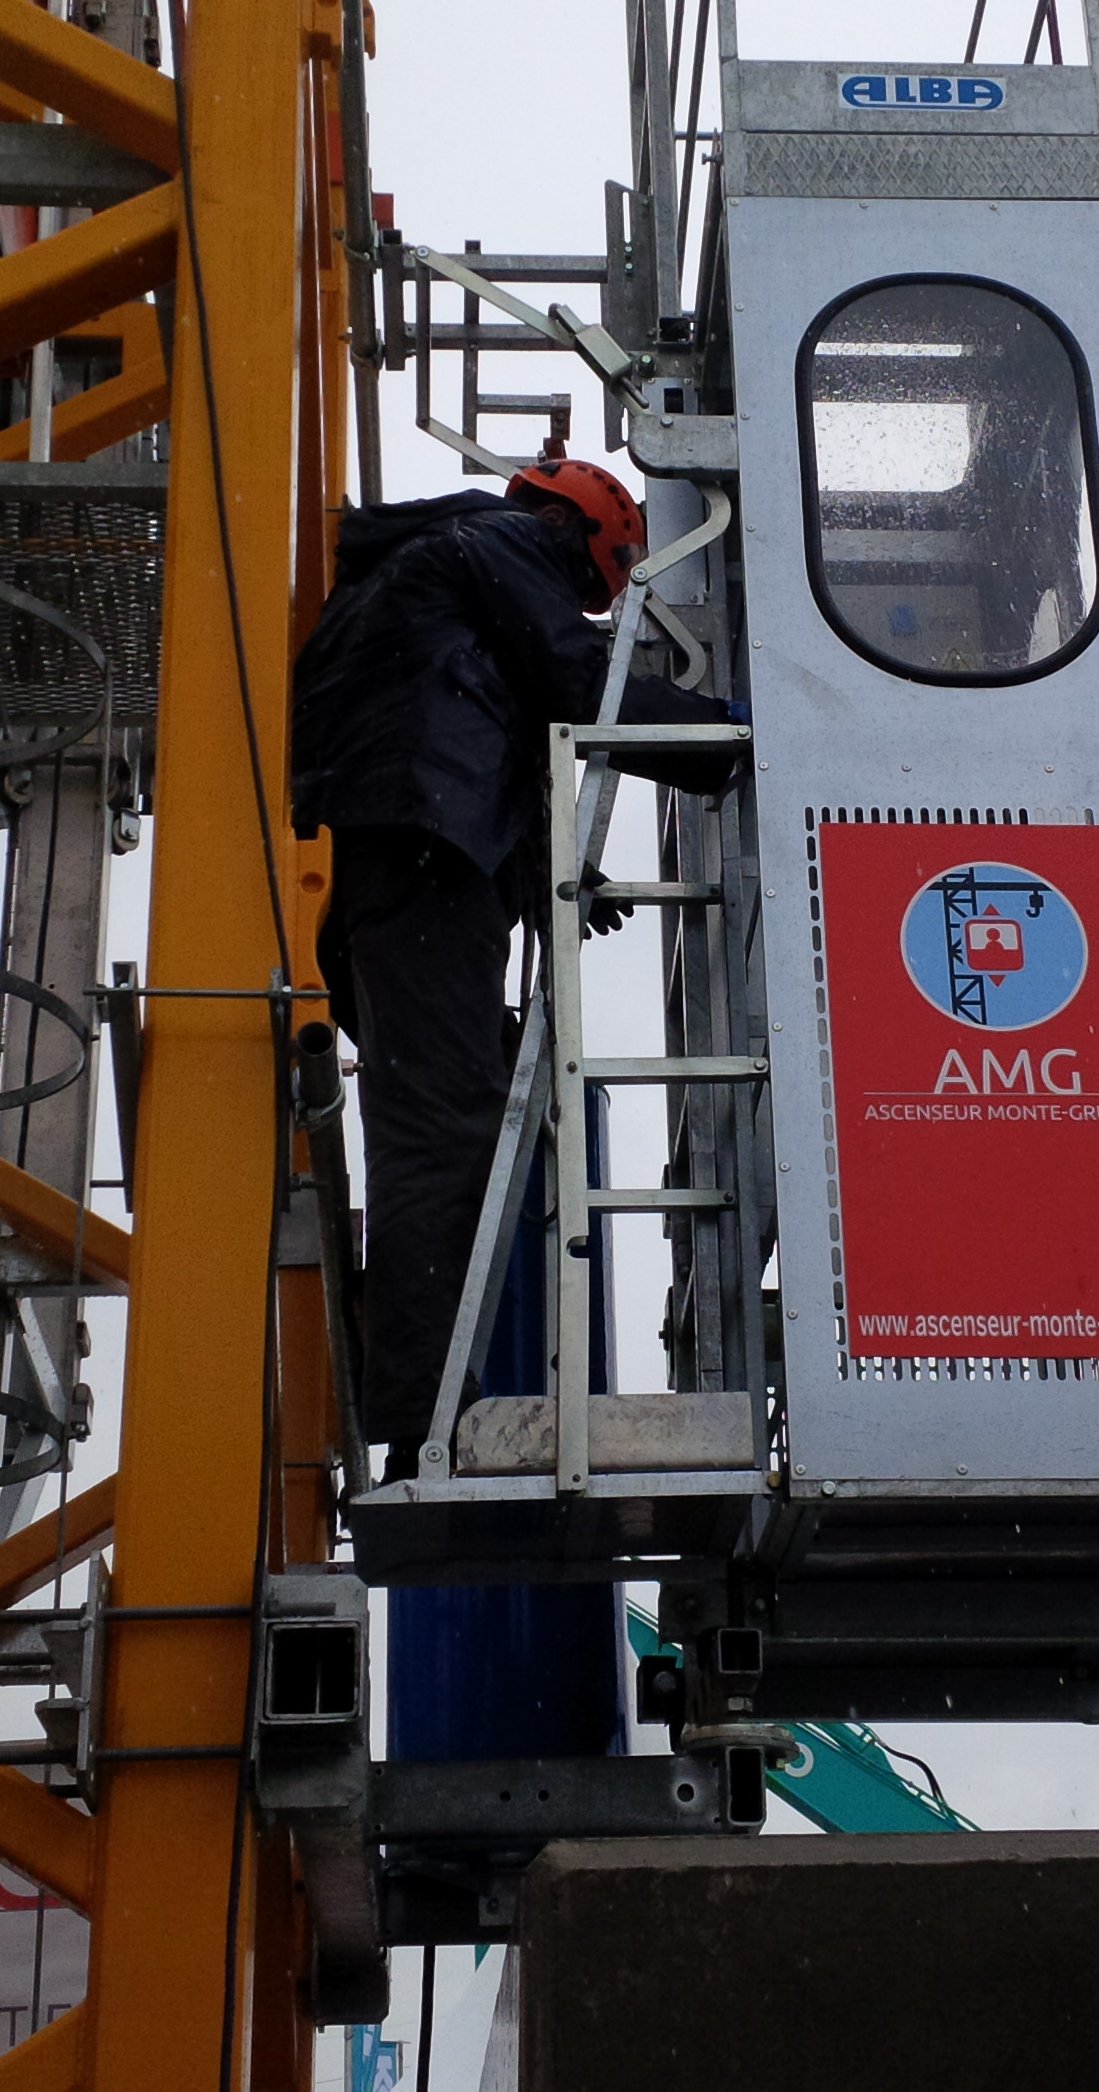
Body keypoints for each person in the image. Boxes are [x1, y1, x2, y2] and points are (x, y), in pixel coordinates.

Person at [291, 458, 739, 1474]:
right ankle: (423, 1419)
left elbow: (478, 728)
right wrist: (738, 733)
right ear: (578, 525)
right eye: (604, 576)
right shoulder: (497, 546)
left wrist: (559, 880)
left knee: (449, 1115)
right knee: (446, 1134)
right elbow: (575, 684)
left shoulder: (423, 575)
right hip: (423, 869)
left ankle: (409, 1388)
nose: (593, 599)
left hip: (401, 875)